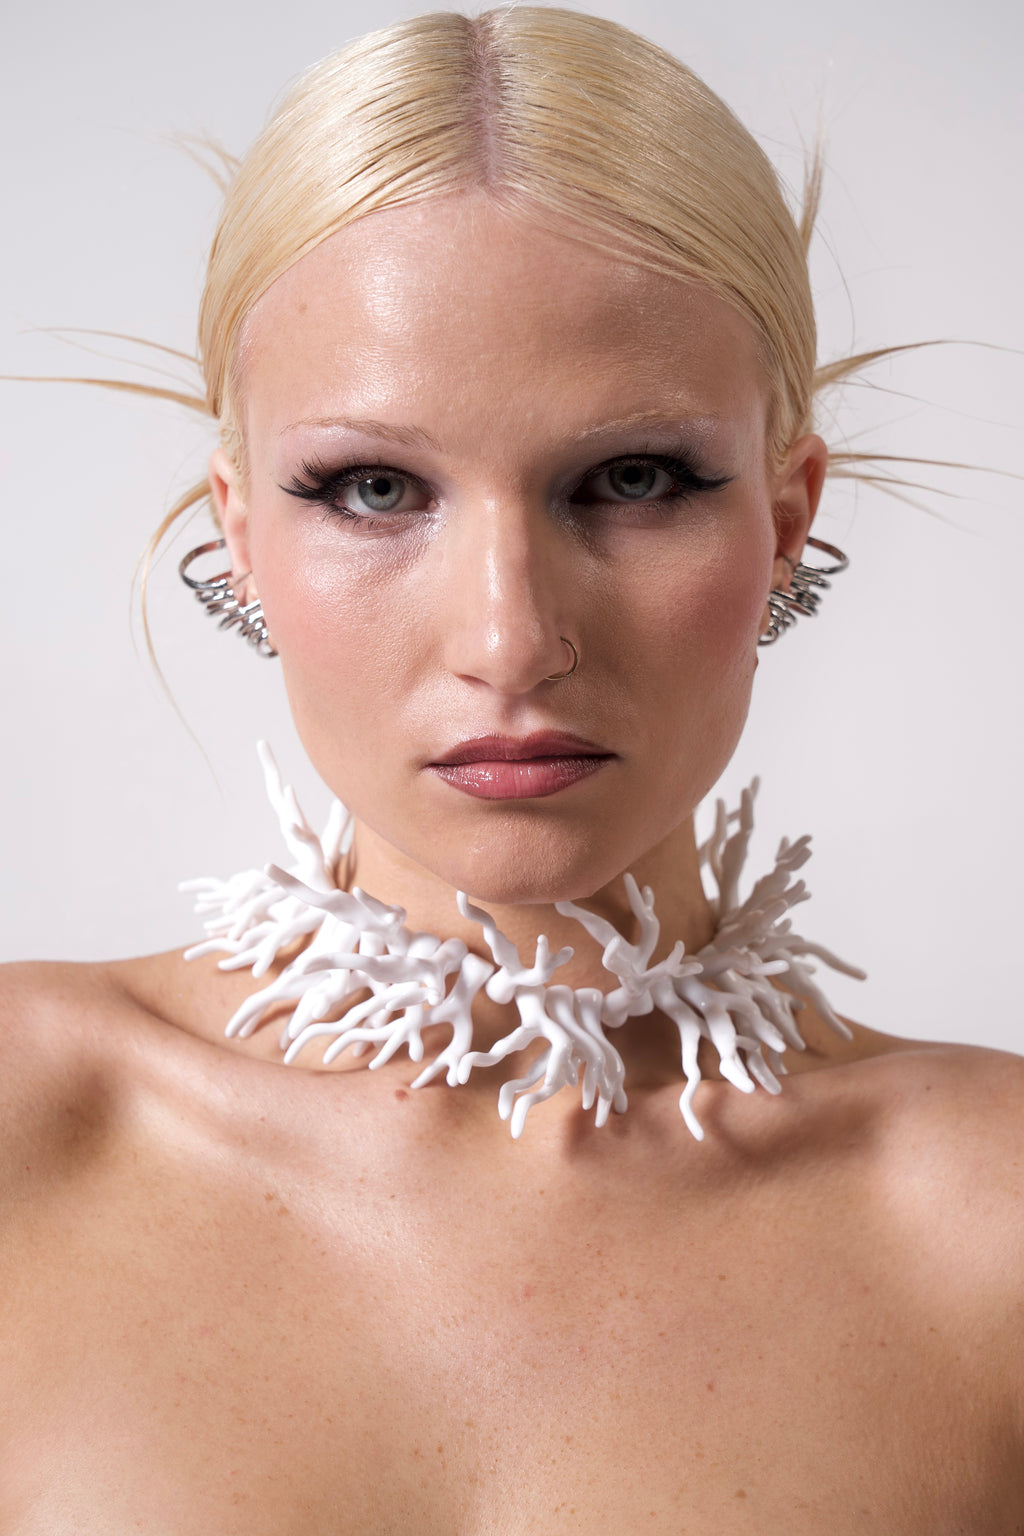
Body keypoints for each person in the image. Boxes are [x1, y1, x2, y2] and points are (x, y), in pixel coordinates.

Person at [2, 8, 1021, 1530]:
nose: (511, 638)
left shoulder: (995, 1228)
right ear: (238, 530)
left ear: (790, 515)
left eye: (633, 480)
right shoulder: (23, 1127)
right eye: (372, 487)